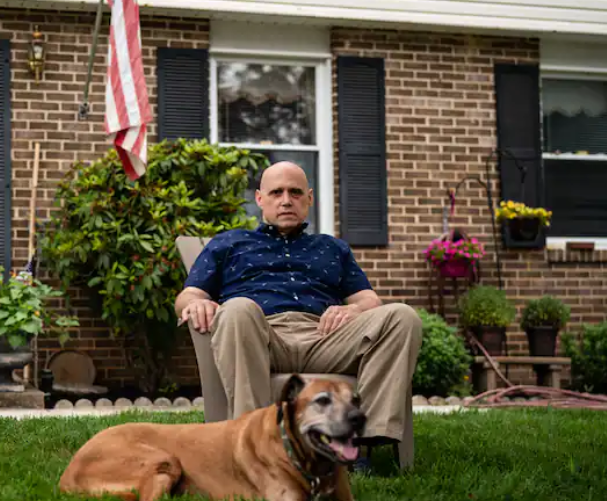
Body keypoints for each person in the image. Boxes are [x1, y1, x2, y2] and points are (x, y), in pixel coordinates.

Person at [174, 161, 422, 472]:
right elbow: (188, 295)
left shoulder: (332, 248)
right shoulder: (229, 243)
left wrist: (354, 309)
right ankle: (255, 443)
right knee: (237, 307)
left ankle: (361, 443)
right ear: (259, 198)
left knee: (402, 316)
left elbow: (368, 299)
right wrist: (196, 303)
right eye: (276, 192)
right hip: (260, 335)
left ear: (309, 198)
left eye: (295, 192)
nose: (286, 200)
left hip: (325, 337)